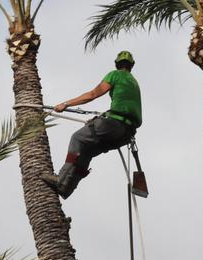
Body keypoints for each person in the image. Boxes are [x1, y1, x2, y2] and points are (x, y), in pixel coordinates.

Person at [43, 50, 143, 199]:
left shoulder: (115, 75)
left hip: (114, 124)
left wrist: (65, 104)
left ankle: (62, 179)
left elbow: (92, 94)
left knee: (77, 138)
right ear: (131, 66)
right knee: (87, 152)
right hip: (126, 134)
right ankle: (67, 189)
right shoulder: (134, 82)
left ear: (117, 64)